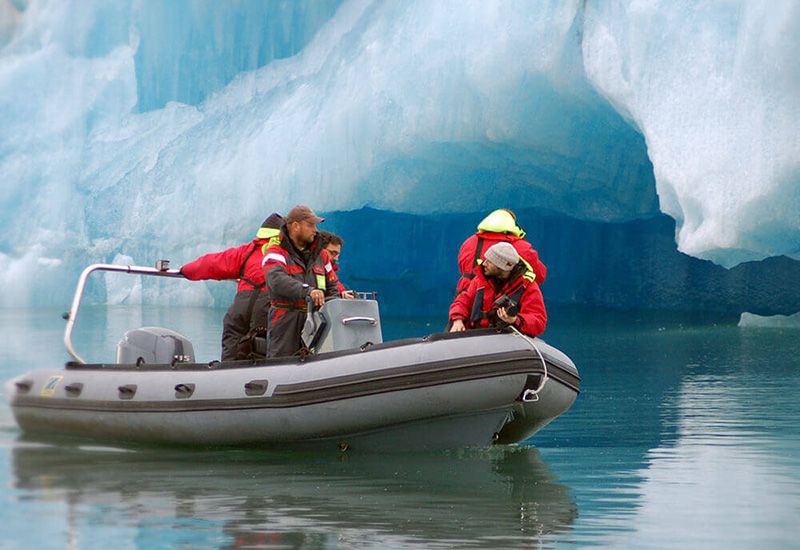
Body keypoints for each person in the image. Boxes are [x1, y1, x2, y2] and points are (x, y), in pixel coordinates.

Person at [180, 213, 283, 361]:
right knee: (262, 353)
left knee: (232, 347)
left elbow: (212, 263)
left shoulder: (247, 251)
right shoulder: (284, 254)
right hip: (266, 311)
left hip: (240, 310)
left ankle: (227, 372)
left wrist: (185, 270)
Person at [262, 205, 340, 357]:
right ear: (296, 226)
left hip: (317, 322)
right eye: (310, 225)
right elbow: (276, 280)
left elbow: (332, 286)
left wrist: (330, 306)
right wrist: (308, 291)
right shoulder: (276, 252)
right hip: (285, 322)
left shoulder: (322, 256)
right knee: (282, 363)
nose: (315, 230)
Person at [449, 242, 547, 337]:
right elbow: (463, 301)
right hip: (476, 336)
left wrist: (514, 320)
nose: (484, 264)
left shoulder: (527, 286)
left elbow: (538, 321)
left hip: (507, 340)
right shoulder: (480, 279)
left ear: (503, 266)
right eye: (485, 259)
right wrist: (457, 320)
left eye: (489, 261)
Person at [455, 208, 546, 295]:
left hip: (465, 296)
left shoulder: (469, 242)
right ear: (512, 225)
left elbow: (464, 268)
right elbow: (539, 275)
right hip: (501, 299)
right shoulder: (521, 247)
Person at [318, 230, 355, 299]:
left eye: (337, 254)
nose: (336, 259)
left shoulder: (329, 270)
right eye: (332, 253)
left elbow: (336, 287)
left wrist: (343, 293)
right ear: (320, 249)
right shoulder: (309, 268)